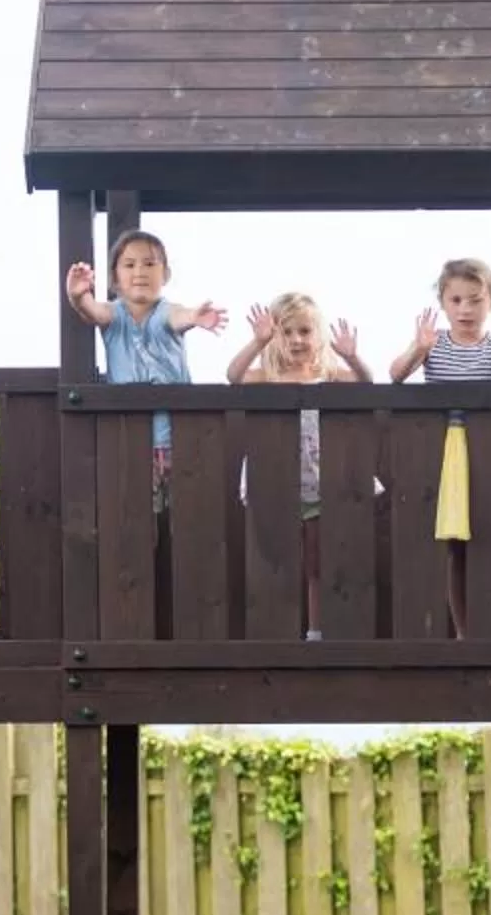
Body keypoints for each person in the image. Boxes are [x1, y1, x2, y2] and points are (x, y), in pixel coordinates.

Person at [386, 257, 491, 639]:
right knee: (457, 546)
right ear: (443, 302)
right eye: (456, 300)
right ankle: (464, 632)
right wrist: (418, 349)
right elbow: (395, 375)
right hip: (450, 456)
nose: (465, 309)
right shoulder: (433, 344)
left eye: (475, 300)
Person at [227, 293, 369, 636]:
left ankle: (316, 630)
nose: (296, 340)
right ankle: (277, 628)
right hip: (277, 477)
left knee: (317, 561)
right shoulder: (269, 376)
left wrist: (352, 356)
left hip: (321, 475)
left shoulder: (329, 374)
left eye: (305, 331)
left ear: (318, 335)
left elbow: (366, 383)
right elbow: (234, 376)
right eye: (286, 332)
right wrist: (257, 341)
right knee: (278, 556)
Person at [65, 229, 226, 504]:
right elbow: (92, 311)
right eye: (129, 264)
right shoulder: (115, 316)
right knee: (137, 517)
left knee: (186, 515)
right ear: (115, 277)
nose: (140, 271)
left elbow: (178, 318)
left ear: (165, 274)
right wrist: (78, 296)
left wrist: (194, 317)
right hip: (131, 438)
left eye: (150, 264)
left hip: (179, 435)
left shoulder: (166, 310)